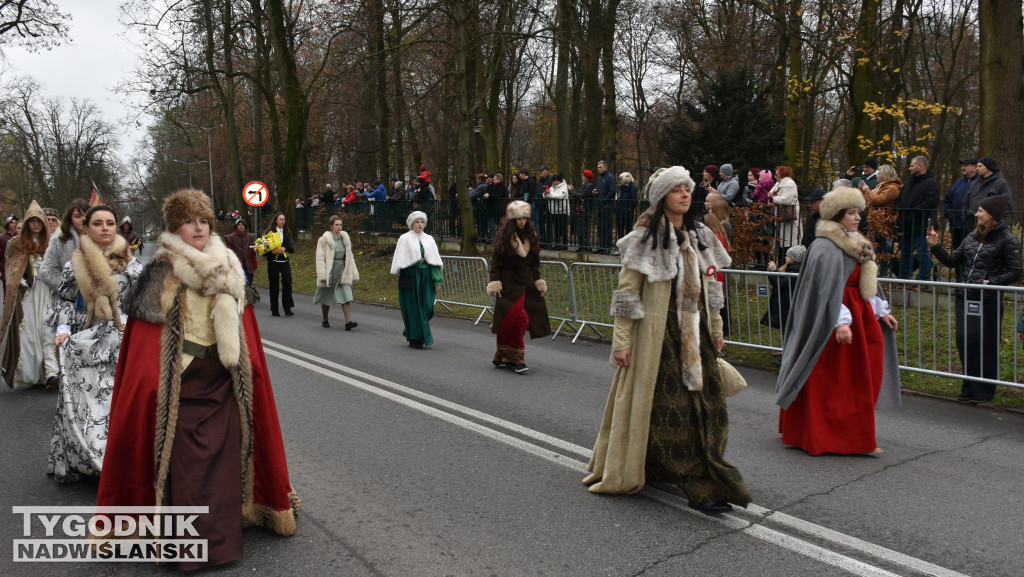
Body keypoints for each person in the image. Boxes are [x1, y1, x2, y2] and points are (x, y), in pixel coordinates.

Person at [94, 189, 299, 569]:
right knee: (187, 463)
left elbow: (244, 329)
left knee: (223, 461)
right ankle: (187, 543)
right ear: (176, 227)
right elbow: (143, 347)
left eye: (203, 220)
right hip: (181, 384)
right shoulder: (161, 271)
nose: (199, 227)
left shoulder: (230, 268)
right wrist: (153, 383)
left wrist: (247, 370)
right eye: (190, 221)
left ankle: (222, 534)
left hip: (223, 380)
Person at [583, 166, 749, 515]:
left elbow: (713, 289)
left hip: (697, 336)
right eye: (676, 190)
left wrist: (716, 331)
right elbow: (627, 295)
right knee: (672, 413)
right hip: (659, 338)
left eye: (687, 188)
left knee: (710, 408)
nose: (685, 194)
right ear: (662, 198)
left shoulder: (702, 235)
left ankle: (661, 466)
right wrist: (621, 343)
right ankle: (701, 486)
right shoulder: (644, 239)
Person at [775, 187, 901, 456]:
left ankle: (854, 435)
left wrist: (881, 310)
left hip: (861, 316)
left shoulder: (857, 242)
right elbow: (824, 290)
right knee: (835, 382)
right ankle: (830, 436)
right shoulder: (823, 246)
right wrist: (840, 321)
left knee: (860, 380)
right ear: (837, 215)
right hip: (833, 322)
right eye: (852, 213)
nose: (858, 218)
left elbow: (866, 282)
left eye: (859, 212)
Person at [45, 204, 141, 482]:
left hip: (124, 338)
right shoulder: (74, 261)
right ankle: (87, 459)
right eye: (97, 223)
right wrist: (63, 329)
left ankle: (119, 460)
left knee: (117, 401)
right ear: (86, 228)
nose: (105, 228)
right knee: (85, 403)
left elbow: (143, 301)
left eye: (109, 223)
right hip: (85, 339)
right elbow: (63, 299)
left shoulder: (131, 263)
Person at [928, 194, 1021, 403]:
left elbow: (1015, 271)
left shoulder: (1008, 240)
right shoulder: (973, 236)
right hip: (965, 297)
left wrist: (992, 282)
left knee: (986, 343)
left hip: (987, 299)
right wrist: (935, 246)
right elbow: (952, 261)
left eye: (981, 211)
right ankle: (968, 386)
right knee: (966, 341)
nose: (977, 213)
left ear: (992, 215)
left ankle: (984, 391)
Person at [486, 201, 551, 373]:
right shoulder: (504, 239)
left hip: (527, 285)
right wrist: (495, 283)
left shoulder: (531, 237)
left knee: (520, 320)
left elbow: (535, 264)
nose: (521, 222)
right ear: (512, 220)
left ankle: (507, 355)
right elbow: (495, 265)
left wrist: (538, 283)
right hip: (508, 286)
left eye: (524, 218)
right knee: (511, 321)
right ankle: (513, 357)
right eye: (518, 218)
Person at [0, 201, 58, 389]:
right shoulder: (16, 243)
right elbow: (12, 266)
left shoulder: (51, 243)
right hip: (30, 294)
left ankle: (50, 372)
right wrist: (18, 279)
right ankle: (32, 373)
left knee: (47, 331)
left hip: (47, 291)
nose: (35, 225)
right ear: (26, 223)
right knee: (29, 333)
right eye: (32, 221)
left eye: (38, 221)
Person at [390, 211, 443, 349]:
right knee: (414, 308)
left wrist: (437, 280)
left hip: (426, 276)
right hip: (411, 276)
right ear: (411, 224)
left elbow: (435, 261)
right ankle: (415, 338)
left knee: (428, 307)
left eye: (422, 222)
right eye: (417, 222)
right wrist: (416, 260)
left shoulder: (429, 239)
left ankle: (411, 330)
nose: (420, 225)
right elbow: (401, 259)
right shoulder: (405, 238)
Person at [897, 156, 940, 281]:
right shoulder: (909, 182)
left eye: (912, 165)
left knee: (922, 252)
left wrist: (915, 211)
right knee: (905, 251)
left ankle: (924, 278)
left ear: (920, 166)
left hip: (920, 223)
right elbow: (900, 198)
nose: (909, 168)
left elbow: (932, 201)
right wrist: (900, 211)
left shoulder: (931, 183)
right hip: (906, 222)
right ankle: (904, 277)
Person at [315, 215, 360, 329]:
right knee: (326, 295)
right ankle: (325, 319)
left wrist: (353, 272)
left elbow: (350, 256)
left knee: (346, 294)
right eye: (337, 225)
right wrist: (322, 275)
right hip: (330, 270)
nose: (339, 227)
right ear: (331, 226)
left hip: (343, 269)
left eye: (340, 225)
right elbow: (320, 258)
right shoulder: (323, 240)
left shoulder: (345, 239)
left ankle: (348, 322)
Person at [860, 163, 902, 277]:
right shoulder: (881, 186)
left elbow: (878, 200)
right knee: (876, 249)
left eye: (879, 173)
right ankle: (876, 273)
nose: (877, 175)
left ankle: (883, 275)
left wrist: (867, 190)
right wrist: (864, 192)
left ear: (885, 175)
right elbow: (870, 201)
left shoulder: (892, 188)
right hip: (874, 223)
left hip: (884, 224)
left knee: (883, 251)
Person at [760, 244, 805, 331]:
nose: (786, 257)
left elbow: (780, 283)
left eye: (788, 256)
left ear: (794, 258)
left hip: (788, 306)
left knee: (788, 330)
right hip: (786, 306)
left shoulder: (795, 272)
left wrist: (774, 271)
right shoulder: (791, 269)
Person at [962, 157, 1013, 231]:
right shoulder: (973, 184)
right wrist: (965, 218)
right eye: (977, 166)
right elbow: (965, 202)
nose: (977, 169)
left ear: (989, 167)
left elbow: (1007, 205)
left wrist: (997, 222)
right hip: (972, 225)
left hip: (991, 226)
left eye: (980, 166)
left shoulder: (1001, 183)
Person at [769, 165, 801, 263]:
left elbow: (785, 199)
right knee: (781, 241)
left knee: (788, 241)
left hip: (789, 216)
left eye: (777, 174)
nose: (775, 176)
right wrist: (774, 196)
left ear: (783, 174)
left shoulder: (790, 184)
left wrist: (774, 198)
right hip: (781, 215)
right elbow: (769, 193)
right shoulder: (779, 183)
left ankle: (787, 264)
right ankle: (781, 264)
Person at [265, 212, 295, 316]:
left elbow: (292, 248)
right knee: (274, 285)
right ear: (276, 221)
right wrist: (271, 251)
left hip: (284, 261)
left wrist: (284, 248)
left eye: (284, 219)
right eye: (280, 219)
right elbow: (263, 248)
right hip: (273, 261)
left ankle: (287, 308)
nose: (283, 221)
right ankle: (274, 309)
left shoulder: (287, 232)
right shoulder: (269, 232)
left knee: (287, 282)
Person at [944, 158, 978, 251]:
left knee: (971, 250)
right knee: (957, 251)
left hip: (974, 225)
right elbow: (947, 200)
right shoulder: (958, 182)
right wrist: (951, 215)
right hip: (957, 225)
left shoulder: (981, 182)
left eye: (966, 165)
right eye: (962, 165)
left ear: (975, 167)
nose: (963, 168)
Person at [226, 218, 258, 283]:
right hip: (237, 267)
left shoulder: (250, 237)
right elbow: (229, 254)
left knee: (249, 286)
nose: (241, 226)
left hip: (248, 266)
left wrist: (255, 266)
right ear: (236, 226)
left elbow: (253, 253)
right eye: (239, 225)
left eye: (242, 225)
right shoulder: (231, 238)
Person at [571, 169, 596, 250]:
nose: (582, 177)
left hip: (586, 209)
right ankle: (581, 246)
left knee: (584, 228)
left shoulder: (589, 185)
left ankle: (585, 246)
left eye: (583, 175)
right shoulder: (585, 184)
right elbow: (578, 193)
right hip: (582, 209)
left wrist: (571, 191)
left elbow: (579, 195)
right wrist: (573, 190)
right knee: (580, 228)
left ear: (586, 177)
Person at [595, 160, 617, 252]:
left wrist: (604, 199)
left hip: (607, 206)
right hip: (600, 206)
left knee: (606, 226)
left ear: (605, 167)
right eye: (598, 167)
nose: (598, 169)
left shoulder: (610, 177)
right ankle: (601, 246)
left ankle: (607, 248)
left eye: (600, 167)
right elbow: (600, 191)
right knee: (600, 227)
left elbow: (612, 191)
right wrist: (595, 193)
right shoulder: (600, 178)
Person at [545, 173, 569, 250]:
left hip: (562, 211)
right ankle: (557, 244)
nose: (553, 182)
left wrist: (550, 194)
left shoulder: (564, 188)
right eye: (552, 181)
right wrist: (547, 193)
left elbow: (560, 196)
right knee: (557, 228)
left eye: (554, 181)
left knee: (563, 228)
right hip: (553, 211)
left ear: (559, 181)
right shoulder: (552, 187)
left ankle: (565, 245)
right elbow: (544, 195)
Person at [616, 172, 638, 242]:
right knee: (620, 229)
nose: (620, 181)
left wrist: (628, 209)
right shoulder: (621, 187)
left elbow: (634, 201)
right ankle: (620, 244)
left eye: (622, 179)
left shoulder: (633, 188)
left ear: (626, 180)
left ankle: (627, 245)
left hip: (627, 212)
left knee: (628, 230)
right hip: (620, 211)